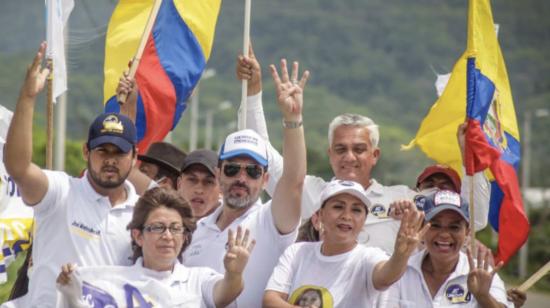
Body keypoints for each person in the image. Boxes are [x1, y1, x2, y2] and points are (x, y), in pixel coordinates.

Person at [236, 45, 490, 254]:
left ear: (374, 155)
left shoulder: (404, 199)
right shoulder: (312, 192)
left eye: (359, 149)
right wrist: (253, 92)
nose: (349, 157)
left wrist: (471, 156)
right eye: (340, 149)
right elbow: (260, 154)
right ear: (330, 155)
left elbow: (473, 219)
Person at [3, 42, 140, 306]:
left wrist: (129, 110)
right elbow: (18, 167)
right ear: (87, 152)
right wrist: (28, 97)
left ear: (134, 157)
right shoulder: (60, 193)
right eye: (103, 151)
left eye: (119, 153)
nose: (110, 160)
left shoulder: (145, 213)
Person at [183, 59, 308, 307]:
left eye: (252, 171)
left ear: (265, 180)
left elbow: (293, 181)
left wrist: (293, 120)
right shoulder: (194, 230)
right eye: (232, 169)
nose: (241, 178)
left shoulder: (270, 222)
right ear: (218, 174)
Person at [56, 187, 254, 308]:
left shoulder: (198, 280)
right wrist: (71, 290)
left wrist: (234, 274)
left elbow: (225, 293)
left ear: (184, 237)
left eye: (175, 228)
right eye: (158, 227)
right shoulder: (112, 284)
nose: (167, 236)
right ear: (138, 235)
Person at [263, 180, 429, 307]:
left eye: (356, 210)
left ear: (364, 220)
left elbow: (386, 276)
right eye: (338, 207)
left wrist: (401, 255)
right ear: (320, 215)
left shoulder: (368, 257)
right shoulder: (297, 252)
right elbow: (270, 301)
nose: (346, 216)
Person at [386, 190, 512, 307]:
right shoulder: (401, 271)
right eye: (435, 225)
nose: (444, 234)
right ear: (421, 228)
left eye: (454, 227)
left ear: (467, 233)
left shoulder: (484, 275)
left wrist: (484, 297)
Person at [177, 149, 221, 219]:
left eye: (208, 182)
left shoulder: (235, 226)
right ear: (179, 184)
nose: (199, 190)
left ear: (221, 188)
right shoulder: (163, 221)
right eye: (192, 180)